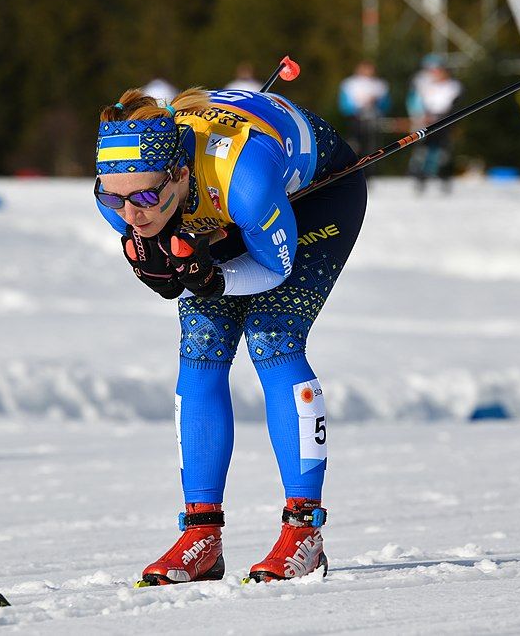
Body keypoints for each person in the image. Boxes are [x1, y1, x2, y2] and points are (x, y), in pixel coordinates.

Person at [94, 85, 367, 585]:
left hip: (317, 197)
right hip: (219, 211)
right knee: (200, 353)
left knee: (273, 342)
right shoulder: (125, 196)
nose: (130, 213)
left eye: (145, 198)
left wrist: (214, 279)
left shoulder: (243, 179)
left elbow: (275, 268)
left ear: (177, 173)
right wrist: (173, 268)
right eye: (113, 197)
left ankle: (304, 533)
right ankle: (201, 535)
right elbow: (146, 224)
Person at [406, 55, 461, 193]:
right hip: (426, 122)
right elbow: (415, 102)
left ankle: (444, 178)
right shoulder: (423, 83)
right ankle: (420, 178)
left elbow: (454, 105)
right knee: (423, 150)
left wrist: (443, 116)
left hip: (444, 122)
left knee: (442, 152)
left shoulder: (453, 86)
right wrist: (421, 115)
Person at [337, 60, 389, 155]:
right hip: (356, 119)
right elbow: (344, 105)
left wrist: (376, 102)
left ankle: (370, 169)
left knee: (372, 149)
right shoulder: (349, 84)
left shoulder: (380, 85)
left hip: (373, 120)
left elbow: (386, 104)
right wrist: (357, 108)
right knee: (354, 146)